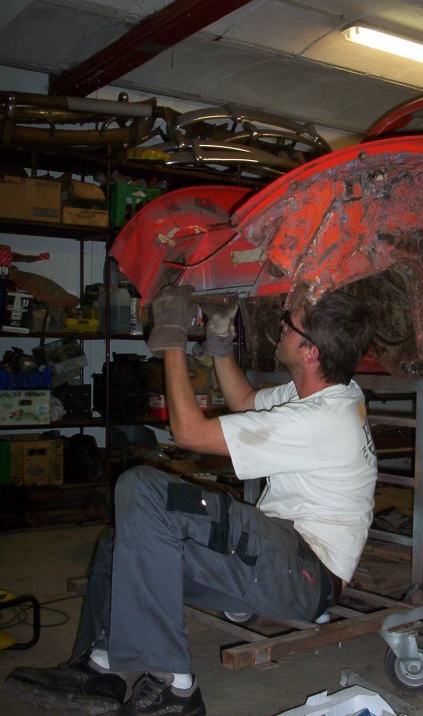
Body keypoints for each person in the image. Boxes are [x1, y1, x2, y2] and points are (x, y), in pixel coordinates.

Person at [6, 285, 378, 716]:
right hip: (284, 558)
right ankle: (101, 666)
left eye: (288, 324)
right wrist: (219, 340)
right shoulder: (326, 393)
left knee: (142, 489)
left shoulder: (319, 420)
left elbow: (188, 433)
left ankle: (174, 689)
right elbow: (243, 401)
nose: (280, 326)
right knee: (123, 540)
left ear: (311, 351)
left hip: (303, 574)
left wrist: (172, 337)